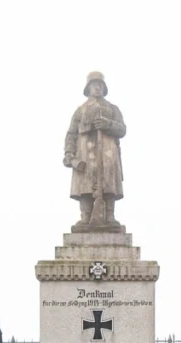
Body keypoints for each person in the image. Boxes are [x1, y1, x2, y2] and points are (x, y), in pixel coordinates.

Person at [63, 71, 126, 229]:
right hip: (85, 151)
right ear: (88, 88)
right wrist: (69, 153)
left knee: (109, 183)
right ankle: (85, 217)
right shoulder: (80, 111)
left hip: (108, 152)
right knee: (85, 185)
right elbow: (71, 133)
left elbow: (122, 129)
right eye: (93, 85)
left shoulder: (112, 109)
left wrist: (108, 125)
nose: (97, 88)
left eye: (100, 85)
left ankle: (110, 217)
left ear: (103, 88)